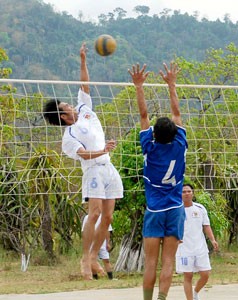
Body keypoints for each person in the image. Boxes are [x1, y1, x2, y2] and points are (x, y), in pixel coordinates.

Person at [43, 43, 123, 280]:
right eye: (64, 106)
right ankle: (85, 257)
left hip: (108, 167)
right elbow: (84, 154)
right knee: (95, 213)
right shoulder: (69, 137)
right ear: (63, 116)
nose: (68, 104)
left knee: (107, 217)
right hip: (93, 170)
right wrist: (101, 150)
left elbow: (84, 83)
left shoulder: (84, 108)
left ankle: (93, 256)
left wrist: (83, 59)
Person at [128, 62, 187, 300]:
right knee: (169, 260)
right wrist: (171, 84)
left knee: (151, 262)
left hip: (155, 210)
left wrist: (138, 86)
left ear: (154, 134)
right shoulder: (180, 143)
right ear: (175, 132)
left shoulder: (149, 148)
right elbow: (177, 114)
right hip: (174, 209)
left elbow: (143, 115)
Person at [176, 184, 219, 300]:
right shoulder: (176, 210)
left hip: (200, 247)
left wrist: (213, 240)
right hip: (184, 248)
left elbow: (206, 226)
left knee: (205, 274)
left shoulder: (200, 208)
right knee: (188, 276)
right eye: (184, 192)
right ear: (180, 194)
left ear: (192, 193)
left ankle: (195, 293)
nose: (186, 193)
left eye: (189, 191)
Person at [82, 212, 114, 280]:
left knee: (106, 260)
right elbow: (84, 230)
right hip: (91, 242)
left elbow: (108, 231)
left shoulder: (104, 217)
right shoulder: (87, 217)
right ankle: (95, 277)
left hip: (102, 242)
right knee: (92, 260)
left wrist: (107, 242)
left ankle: (110, 277)